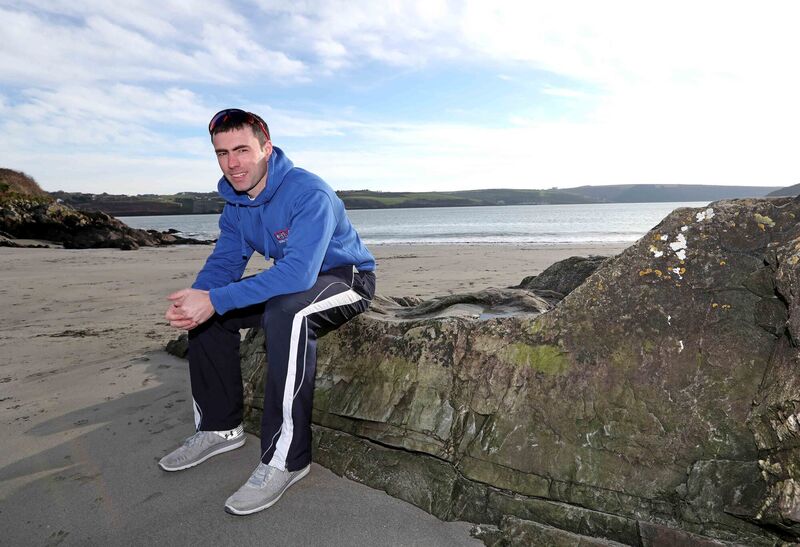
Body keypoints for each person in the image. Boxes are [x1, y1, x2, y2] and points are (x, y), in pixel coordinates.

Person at [159, 108, 376, 515]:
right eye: (222, 153)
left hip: (346, 278)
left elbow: (298, 273)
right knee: (210, 314)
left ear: (266, 148)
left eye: (242, 150)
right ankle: (220, 428)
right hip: (296, 278)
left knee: (286, 314)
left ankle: (287, 460)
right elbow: (225, 263)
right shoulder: (236, 203)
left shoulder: (308, 192)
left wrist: (216, 299)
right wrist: (199, 299)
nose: (232, 163)